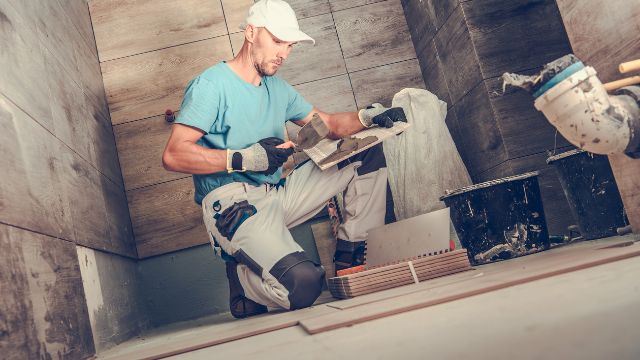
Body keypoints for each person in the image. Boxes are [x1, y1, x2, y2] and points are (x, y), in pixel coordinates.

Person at [162, 0, 405, 318]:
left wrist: (368, 117)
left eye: (289, 45)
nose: (284, 53)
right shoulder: (211, 85)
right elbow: (174, 154)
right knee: (303, 285)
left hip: (278, 194)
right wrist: (246, 158)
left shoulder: (278, 89)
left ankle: (352, 258)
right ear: (251, 32)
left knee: (364, 152)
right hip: (234, 206)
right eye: (277, 41)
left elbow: (329, 125)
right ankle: (242, 281)